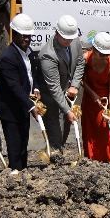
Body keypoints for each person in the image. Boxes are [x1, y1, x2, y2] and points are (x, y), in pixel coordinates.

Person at [0, 13, 45, 173]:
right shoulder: (7, 58)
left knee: (23, 142)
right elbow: (14, 87)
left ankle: (22, 170)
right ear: (14, 34)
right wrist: (32, 107)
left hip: (24, 106)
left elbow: (34, 75)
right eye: (23, 36)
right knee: (15, 144)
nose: (27, 39)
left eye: (29, 36)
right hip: (11, 109)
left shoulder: (29, 53)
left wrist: (36, 89)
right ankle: (15, 173)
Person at [39, 14, 85, 151]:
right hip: (53, 96)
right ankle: (54, 154)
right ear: (56, 32)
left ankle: (59, 149)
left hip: (69, 90)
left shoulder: (74, 40)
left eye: (71, 38)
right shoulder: (47, 54)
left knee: (66, 126)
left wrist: (75, 85)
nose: (68, 41)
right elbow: (54, 87)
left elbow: (80, 62)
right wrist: (67, 110)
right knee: (55, 128)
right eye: (65, 38)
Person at [81, 32, 110, 163]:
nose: (105, 57)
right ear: (94, 50)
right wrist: (93, 95)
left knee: (109, 129)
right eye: (102, 54)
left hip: (107, 99)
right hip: (90, 100)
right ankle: (93, 160)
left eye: (107, 54)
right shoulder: (85, 59)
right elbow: (81, 80)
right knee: (91, 131)